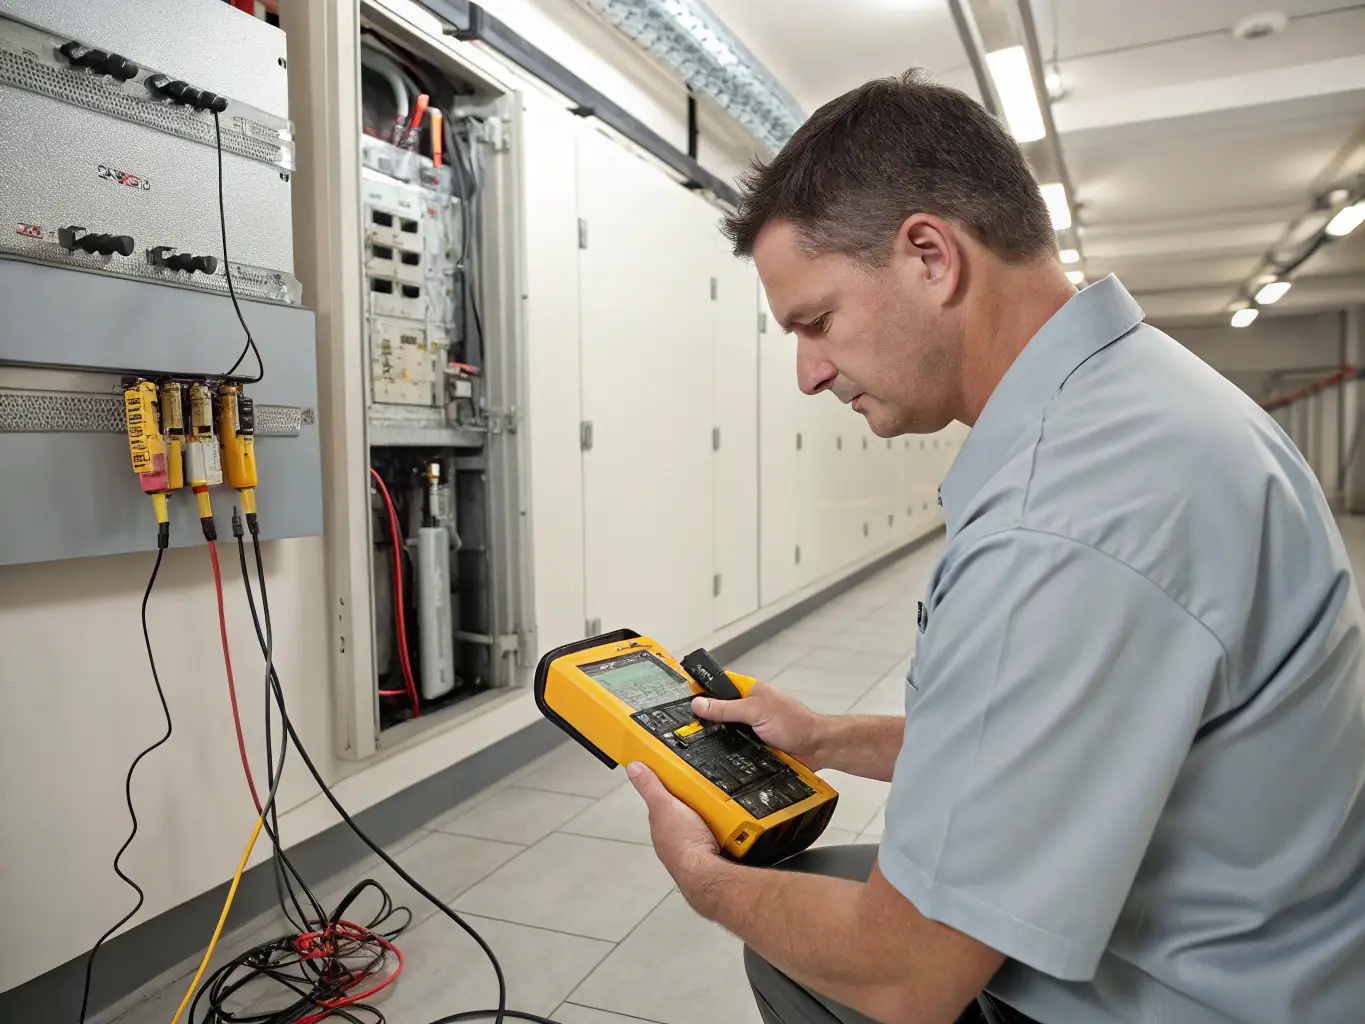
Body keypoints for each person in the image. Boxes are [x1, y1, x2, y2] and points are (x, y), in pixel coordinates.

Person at [625, 69, 1365, 1024]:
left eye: (815, 322)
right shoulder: (1143, 407)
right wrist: (827, 738)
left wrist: (699, 879)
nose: (808, 373)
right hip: (1277, 947)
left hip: (1183, 991)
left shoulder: (1064, 519)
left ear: (931, 256)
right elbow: (1045, 743)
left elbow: (907, 978)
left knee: (807, 944)